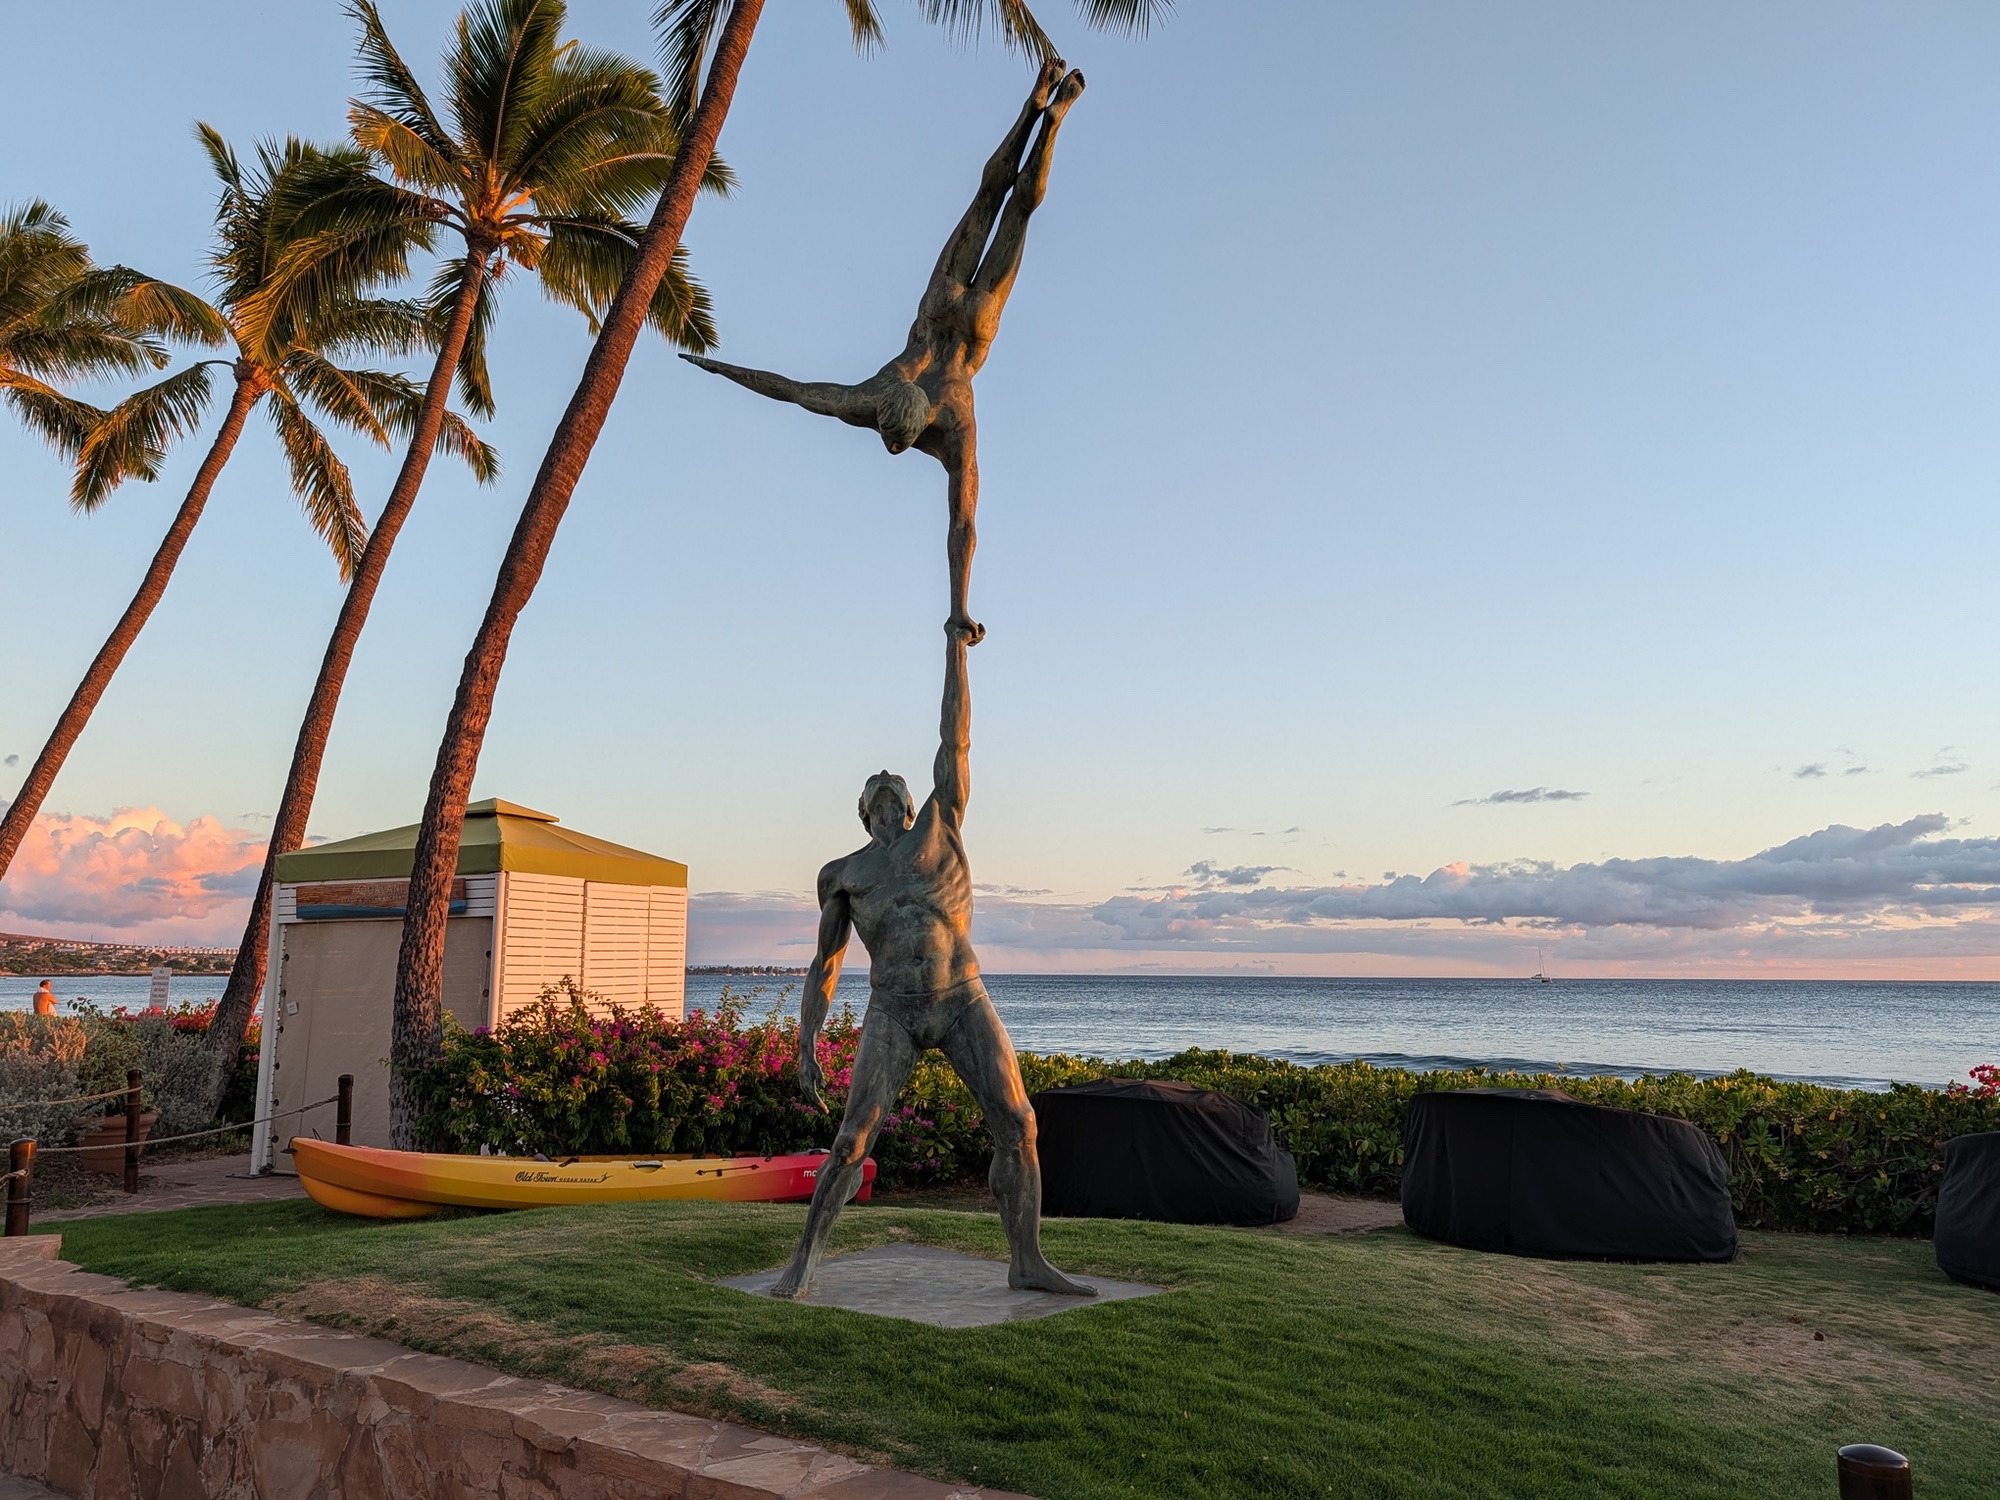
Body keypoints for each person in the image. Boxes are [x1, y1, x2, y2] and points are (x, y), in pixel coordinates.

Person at [683, 57, 1087, 647]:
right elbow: (795, 392)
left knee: (1014, 210)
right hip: (943, 306)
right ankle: (1038, 111)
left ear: (914, 418)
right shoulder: (873, 397)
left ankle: (1050, 116)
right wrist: (720, 368)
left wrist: (959, 608)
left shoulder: (951, 426)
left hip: (973, 324)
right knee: (993, 195)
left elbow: (964, 525)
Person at [770, 619, 1092, 1300]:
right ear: (864, 811)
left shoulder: (941, 824)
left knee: (1020, 1122)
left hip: (961, 997)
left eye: (896, 784)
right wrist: (806, 1041)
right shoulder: (844, 875)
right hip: (893, 1008)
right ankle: (801, 1264)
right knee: (852, 1138)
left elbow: (955, 735)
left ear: (911, 801)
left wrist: (955, 647)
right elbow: (824, 965)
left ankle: (1026, 1259)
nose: (887, 786)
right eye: (875, 787)